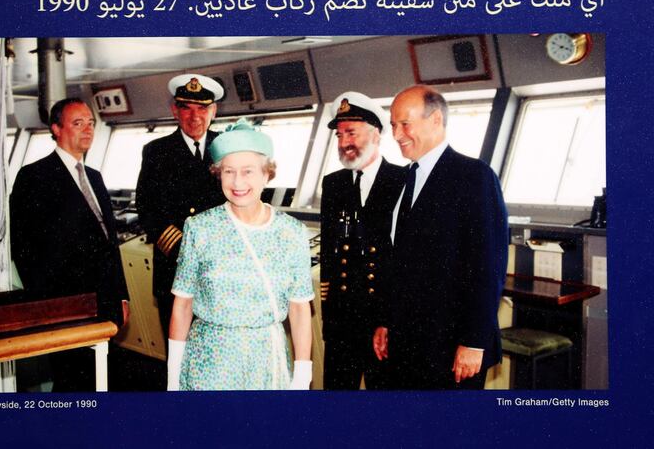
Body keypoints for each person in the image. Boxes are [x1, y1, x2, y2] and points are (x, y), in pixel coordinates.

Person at [373, 85, 508, 389]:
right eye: (393, 125)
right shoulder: (406, 179)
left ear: (435, 120)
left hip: (451, 345)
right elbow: (398, 261)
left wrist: (474, 342)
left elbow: (488, 266)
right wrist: (385, 320)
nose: (396, 134)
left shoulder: (474, 177)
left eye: (405, 124)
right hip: (407, 340)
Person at [167, 119, 314, 390]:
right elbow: (183, 305)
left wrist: (303, 377)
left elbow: (300, 308)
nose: (237, 182)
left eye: (248, 172)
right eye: (228, 171)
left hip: (268, 361)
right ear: (218, 173)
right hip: (209, 362)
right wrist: (173, 380)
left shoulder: (291, 232)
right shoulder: (200, 228)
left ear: (267, 174)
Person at [10, 98, 129, 391]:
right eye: (78, 123)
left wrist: (122, 296)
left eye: (91, 123)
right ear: (56, 129)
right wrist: (46, 303)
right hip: (64, 304)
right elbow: (22, 247)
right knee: (72, 378)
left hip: (104, 299)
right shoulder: (34, 177)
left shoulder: (95, 178)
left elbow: (109, 243)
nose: (88, 130)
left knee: (104, 376)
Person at [320, 92, 405, 389]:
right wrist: (328, 318)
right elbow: (331, 253)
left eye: (351, 132)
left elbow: (403, 260)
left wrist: (391, 321)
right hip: (341, 318)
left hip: (380, 320)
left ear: (376, 134)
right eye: (339, 134)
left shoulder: (403, 181)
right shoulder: (333, 184)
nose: (344, 142)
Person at [135, 74, 226, 348]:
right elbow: (147, 209)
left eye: (202, 108)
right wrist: (186, 251)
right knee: (179, 352)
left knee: (218, 352)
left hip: (221, 270)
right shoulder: (156, 151)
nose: (194, 116)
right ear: (175, 110)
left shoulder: (227, 148)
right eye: (186, 107)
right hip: (175, 269)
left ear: (214, 111)